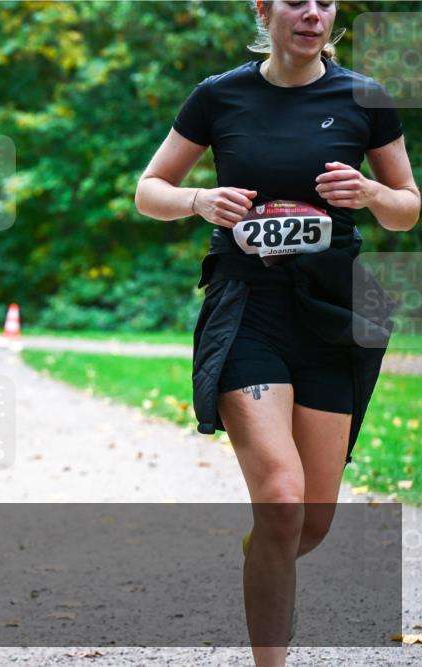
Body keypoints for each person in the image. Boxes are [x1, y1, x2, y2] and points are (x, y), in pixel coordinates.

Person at [134, 1, 418, 664]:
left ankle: (263, 552)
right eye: (296, 0)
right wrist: (200, 200)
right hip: (248, 306)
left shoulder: (364, 98)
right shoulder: (219, 96)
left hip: (331, 312)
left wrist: (371, 194)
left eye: (324, 1)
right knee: (283, 502)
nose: (312, 12)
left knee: (308, 523)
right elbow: (150, 189)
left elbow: (408, 207)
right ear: (266, 10)